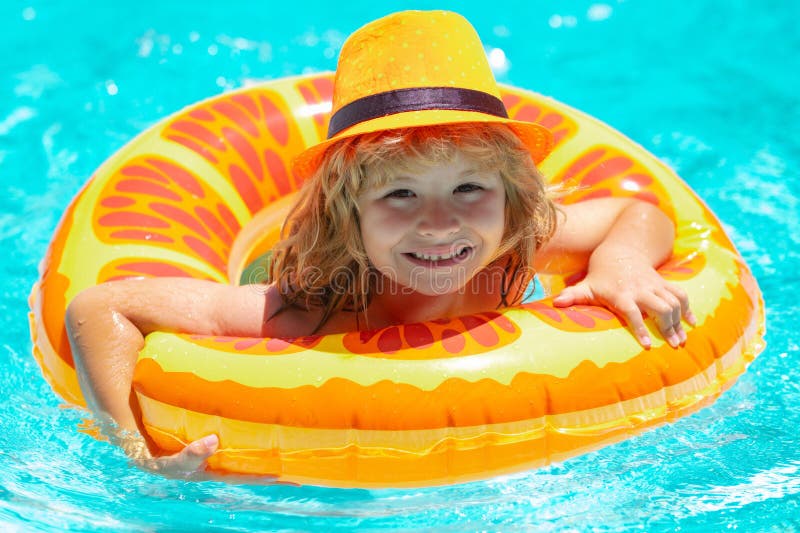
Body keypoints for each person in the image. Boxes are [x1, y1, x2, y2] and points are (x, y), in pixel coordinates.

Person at [65, 10, 694, 479]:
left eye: (469, 188)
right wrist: (134, 456)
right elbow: (99, 308)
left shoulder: (512, 247)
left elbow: (638, 214)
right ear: (348, 217)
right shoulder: (307, 310)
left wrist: (621, 262)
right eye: (400, 196)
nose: (441, 224)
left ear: (511, 200)